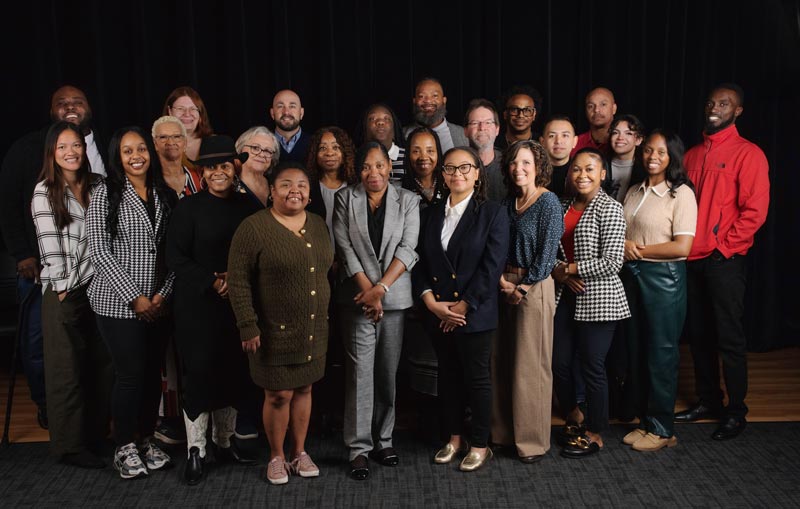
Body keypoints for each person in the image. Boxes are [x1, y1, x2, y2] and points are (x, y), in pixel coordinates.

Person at [0, 85, 106, 429]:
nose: (70, 107)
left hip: (97, 272)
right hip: (44, 268)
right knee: (40, 343)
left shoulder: (106, 146)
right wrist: (23, 254)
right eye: (62, 103)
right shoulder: (28, 149)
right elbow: (9, 204)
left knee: (93, 346)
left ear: (89, 108)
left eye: (78, 101)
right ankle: (49, 407)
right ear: (51, 112)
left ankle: (92, 413)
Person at [227, 161, 333, 485]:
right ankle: (276, 456)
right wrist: (248, 324)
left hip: (313, 330)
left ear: (310, 193)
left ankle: (299, 452)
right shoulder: (253, 227)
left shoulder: (317, 224)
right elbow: (238, 281)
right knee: (278, 395)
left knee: (304, 388)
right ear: (271, 191)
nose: (294, 191)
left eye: (301, 184)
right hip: (273, 333)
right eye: (286, 184)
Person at [675, 83, 770, 441]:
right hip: (691, 258)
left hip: (723, 260)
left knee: (728, 336)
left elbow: (755, 212)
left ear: (738, 111)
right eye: (711, 102)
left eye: (724, 103)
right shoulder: (692, 155)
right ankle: (708, 401)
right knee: (699, 336)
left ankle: (736, 411)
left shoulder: (750, 154)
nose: (715, 108)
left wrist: (724, 248)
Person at [166, 135, 261, 485]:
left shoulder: (248, 208)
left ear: (234, 169)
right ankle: (196, 450)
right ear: (202, 172)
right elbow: (175, 257)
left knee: (234, 372)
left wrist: (234, 282)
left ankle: (224, 442)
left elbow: (257, 254)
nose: (218, 172)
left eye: (224, 165)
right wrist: (212, 280)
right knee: (201, 373)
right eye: (211, 167)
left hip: (237, 306)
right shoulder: (187, 208)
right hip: (197, 307)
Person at [86, 126, 177, 479]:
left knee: (152, 376)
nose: (136, 155)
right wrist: (135, 298)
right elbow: (100, 252)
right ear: (117, 158)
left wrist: (161, 295)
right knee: (130, 375)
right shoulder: (105, 194)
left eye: (141, 148)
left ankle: (143, 440)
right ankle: (123, 445)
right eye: (127, 151)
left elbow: (173, 252)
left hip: (158, 301)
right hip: (117, 303)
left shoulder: (164, 194)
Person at [414, 146, 509, 471]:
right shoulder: (430, 213)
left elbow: (491, 267)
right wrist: (430, 301)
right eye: (451, 169)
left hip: (475, 314)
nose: (458, 174)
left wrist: (463, 307)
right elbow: (420, 263)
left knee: (477, 380)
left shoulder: (492, 213)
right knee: (449, 377)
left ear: (478, 173)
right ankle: (454, 439)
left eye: (465, 168)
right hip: (438, 312)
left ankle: (480, 445)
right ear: (442, 175)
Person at [333, 142, 420, 480]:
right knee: (359, 375)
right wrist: (368, 291)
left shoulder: (408, 200)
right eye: (367, 167)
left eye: (379, 166)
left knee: (387, 373)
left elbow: (408, 248)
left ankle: (384, 440)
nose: (373, 173)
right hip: (357, 299)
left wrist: (381, 289)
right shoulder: (346, 198)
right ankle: (358, 448)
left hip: (393, 299)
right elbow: (344, 247)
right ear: (359, 170)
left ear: (389, 167)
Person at [31, 121, 113, 468]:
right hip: (64, 290)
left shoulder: (98, 185)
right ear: (52, 152)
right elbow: (49, 245)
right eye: (63, 146)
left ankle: (95, 436)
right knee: (67, 370)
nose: (71, 152)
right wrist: (63, 287)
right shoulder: (45, 191)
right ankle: (69, 446)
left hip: (98, 287)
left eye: (76, 145)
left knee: (100, 365)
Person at [551, 148, 630, 458]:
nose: (582, 174)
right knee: (559, 362)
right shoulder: (561, 206)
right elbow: (552, 250)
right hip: (565, 296)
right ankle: (574, 413)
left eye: (589, 169)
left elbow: (612, 262)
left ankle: (596, 432)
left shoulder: (610, 209)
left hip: (600, 299)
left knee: (593, 366)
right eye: (576, 169)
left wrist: (570, 269)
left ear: (602, 175)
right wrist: (561, 272)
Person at [621, 129, 697, 451]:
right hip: (633, 275)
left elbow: (683, 246)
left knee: (662, 354)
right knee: (638, 350)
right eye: (648, 151)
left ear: (672, 158)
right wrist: (625, 245)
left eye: (661, 152)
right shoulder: (634, 190)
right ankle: (646, 422)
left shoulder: (681, 194)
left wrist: (638, 250)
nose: (653, 157)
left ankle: (663, 429)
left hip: (664, 278)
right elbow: (624, 233)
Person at [492, 140, 563, 463]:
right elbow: (495, 245)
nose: (518, 168)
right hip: (504, 282)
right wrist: (501, 281)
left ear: (538, 167)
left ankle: (531, 442)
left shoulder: (548, 202)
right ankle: (504, 434)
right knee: (503, 362)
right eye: (513, 163)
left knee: (530, 366)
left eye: (526, 163)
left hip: (533, 287)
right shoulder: (508, 203)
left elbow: (548, 253)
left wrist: (522, 288)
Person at [305, 126, 357, 239]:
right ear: (315, 154)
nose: (329, 153)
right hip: (318, 252)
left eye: (335, 147)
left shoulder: (356, 187)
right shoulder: (307, 188)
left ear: (345, 153)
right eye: (322, 148)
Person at [403, 77, 468, 152]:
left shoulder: (462, 134)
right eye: (422, 96)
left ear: (444, 100)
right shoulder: (402, 135)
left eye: (435, 96)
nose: (428, 101)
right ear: (414, 101)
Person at [463, 99, 505, 202]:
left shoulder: (509, 164)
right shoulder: (456, 167)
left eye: (488, 122)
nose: (482, 128)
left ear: (497, 129)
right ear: (465, 131)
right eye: (475, 123)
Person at [152, 116, 202, 198]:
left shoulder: (199, 179)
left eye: (177, 136)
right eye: (163, 137)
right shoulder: (147, 182)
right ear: (155, 144)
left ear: (185, 143)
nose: (171, 142)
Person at [162, 86, 214, 165]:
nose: (187, 114)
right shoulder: (159, 146)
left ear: (200, 113)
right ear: (170, 111)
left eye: (193, 109)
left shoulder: (216, 143)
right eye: (180, 108)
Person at [356, 103, 407, 183]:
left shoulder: (408, 156)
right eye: (372, 119)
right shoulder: (356, 157)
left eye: (386, 118)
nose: (380, 122)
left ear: (394, 129)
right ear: (364, 129)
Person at [402, 127, 448, 210]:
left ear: (438, 153)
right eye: (416, 151)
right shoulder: (401, 189)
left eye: (430, 151)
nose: (423, 157)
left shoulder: (448, 184)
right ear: (408, 154)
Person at [235, 126, 280, 207]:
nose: (262, 154)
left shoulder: (275, 184)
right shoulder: (230, 185)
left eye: (268, 151)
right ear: (241, 149)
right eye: (255, 148)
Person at [571, 87, 617, 158]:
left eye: (603, 104)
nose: (596, 110)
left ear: (614, 108)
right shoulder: (575, 144)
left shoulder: (623, 142)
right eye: (591, 106)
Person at [608, 114, 645, 202]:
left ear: (638, 140)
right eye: (615, 132)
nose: (620, 138)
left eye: (628, 133)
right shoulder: (600, 164)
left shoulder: (645, 169)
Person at [539, 115, 578, 199]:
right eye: (552, 136)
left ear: (575, 141)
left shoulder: (582, 173)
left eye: (565, 135)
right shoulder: (533, 172)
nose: (558, 141)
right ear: (542, 142)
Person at [496, 85, 544, 150]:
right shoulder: (494, 144)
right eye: (514, 109)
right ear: (505, 114)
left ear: (534, 114)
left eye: (527, 110)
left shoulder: (542, 143)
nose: (520, 115)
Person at [270, 89, 310, 163]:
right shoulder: (263, 146)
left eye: (292, 106)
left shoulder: (315, 144)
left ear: (301, 113)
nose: (286, 112)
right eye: (280, 106)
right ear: (272, 113)